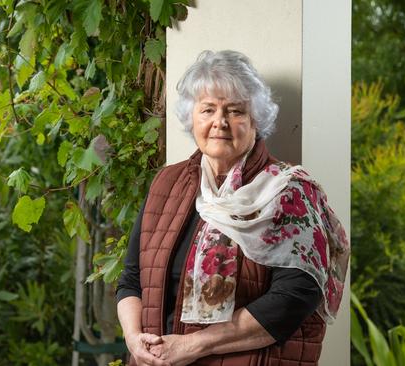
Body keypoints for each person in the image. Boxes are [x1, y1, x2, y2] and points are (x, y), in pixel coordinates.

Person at [116, 50, 350, 366]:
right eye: (208, 109)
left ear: (256, 120)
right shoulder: (166, 184)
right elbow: (132, 279)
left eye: (235, 111)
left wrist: (192, 346)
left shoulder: (288, 191)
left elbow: (295, 297)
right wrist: (134, 341)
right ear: (191, 116)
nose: (219, 122)